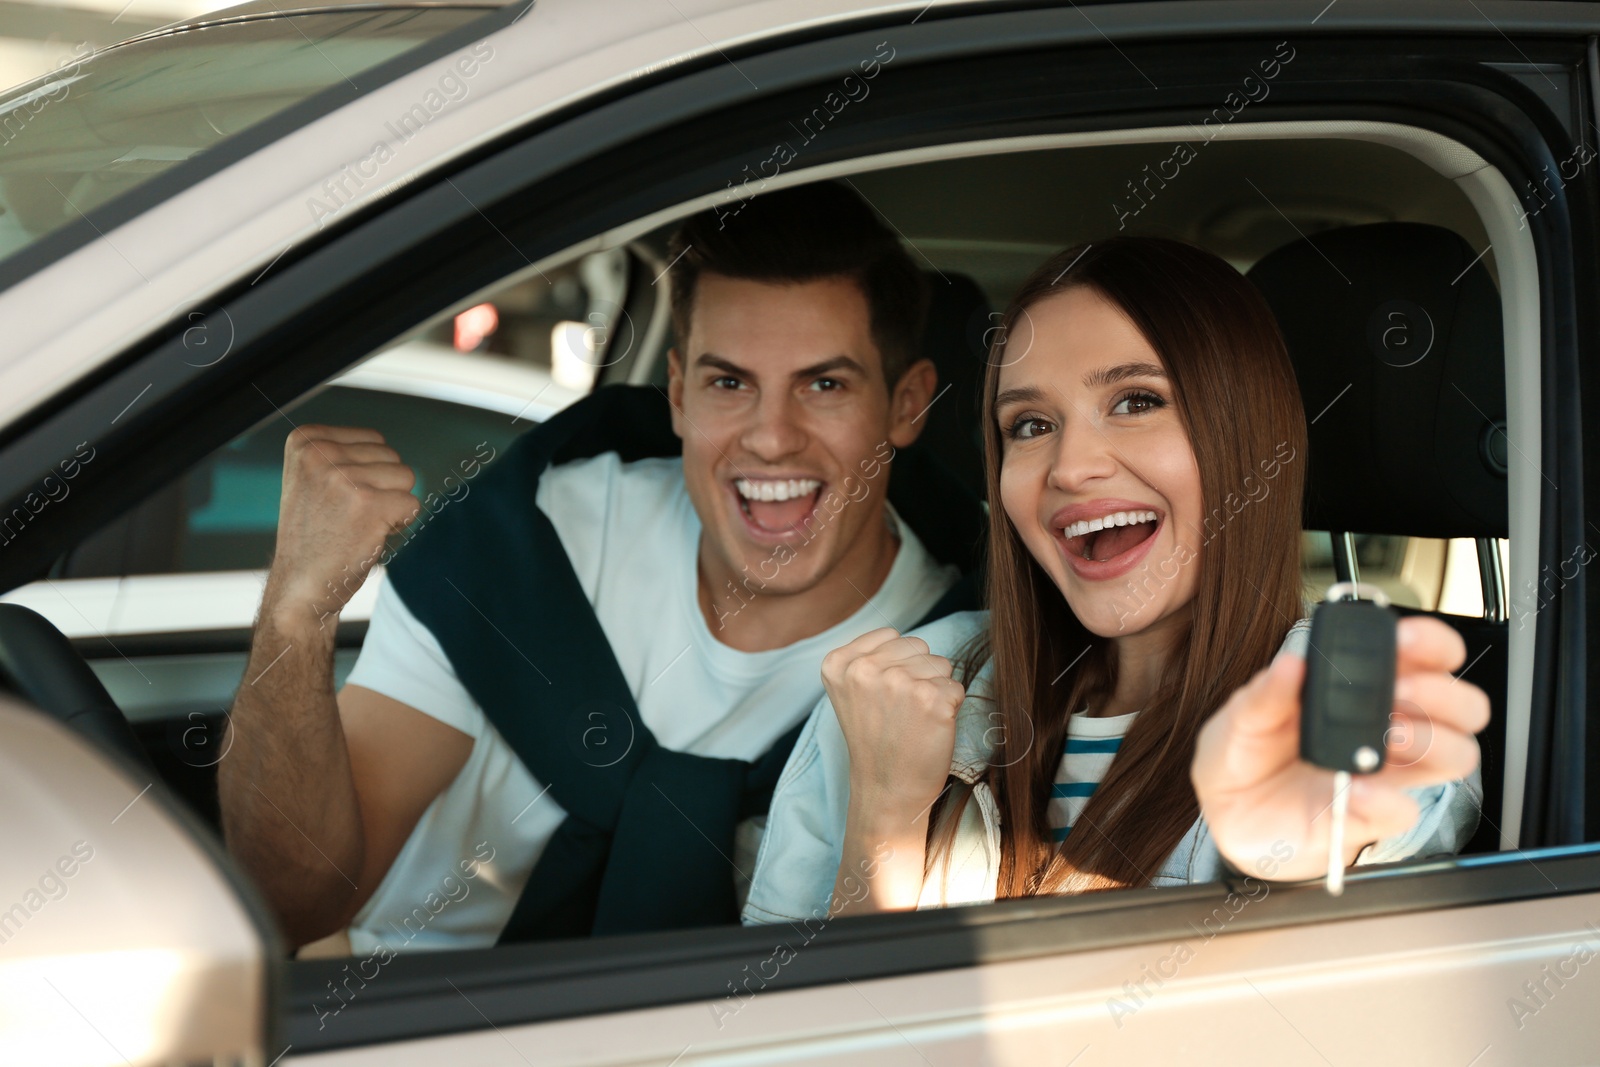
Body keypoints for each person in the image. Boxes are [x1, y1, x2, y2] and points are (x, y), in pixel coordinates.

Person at [217, 182, 977, 954]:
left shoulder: (956, 664)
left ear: (906, 404)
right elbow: (293, 902)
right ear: (677, 394)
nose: (772, 437)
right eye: (728, 383)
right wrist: (294, 612)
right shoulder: (533, 539)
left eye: (824, 384)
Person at [742, 237, 1486, 922]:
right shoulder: (912, 683)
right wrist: (885, 815)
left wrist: (1271, 863)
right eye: (1029, 425)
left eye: (1136, 401)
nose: (1069, 466)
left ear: (1246, 434)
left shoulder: (1344, 688)